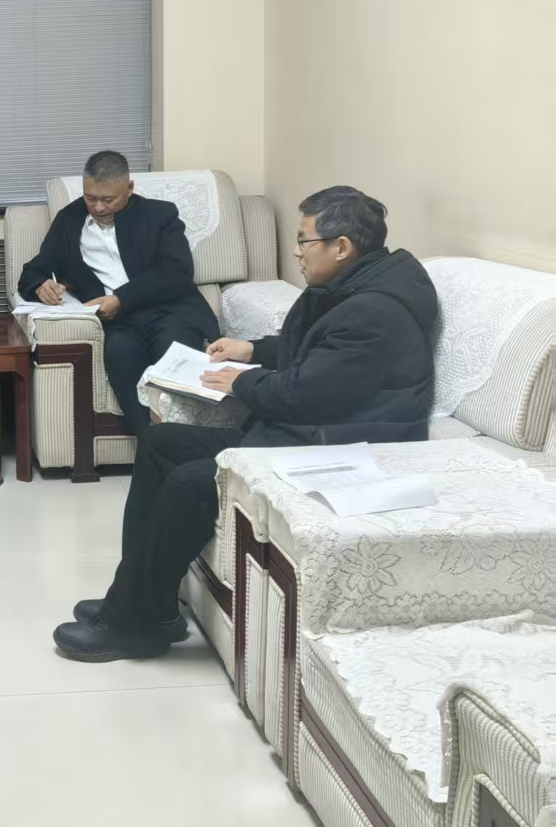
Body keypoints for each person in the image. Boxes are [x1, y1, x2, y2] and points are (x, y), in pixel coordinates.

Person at [53, 185, 438, 662]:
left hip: (341, 451)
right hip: (313, 432)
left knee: (190, 482)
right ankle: (148, 603)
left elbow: (300, 395)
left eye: (304, 241)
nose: (296, 252)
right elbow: (316, 352)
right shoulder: (353, 286)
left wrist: (241, 380)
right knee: (160, 442)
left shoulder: (373, 311)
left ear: (341, 246)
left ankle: (133, 625)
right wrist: (253, 350)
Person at [18, 150, 219, 434]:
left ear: (129, 188)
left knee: (172, 353)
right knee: (120, 352)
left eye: (108, 200)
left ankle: (177, 440)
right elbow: (34, 270)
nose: (98, 207)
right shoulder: (70, 219)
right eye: (91, 198)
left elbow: (177, 272)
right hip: (118, 323)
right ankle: (150, 443)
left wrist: (121, 298)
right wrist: (40, 286)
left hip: (170, 313)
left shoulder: (160, 214)